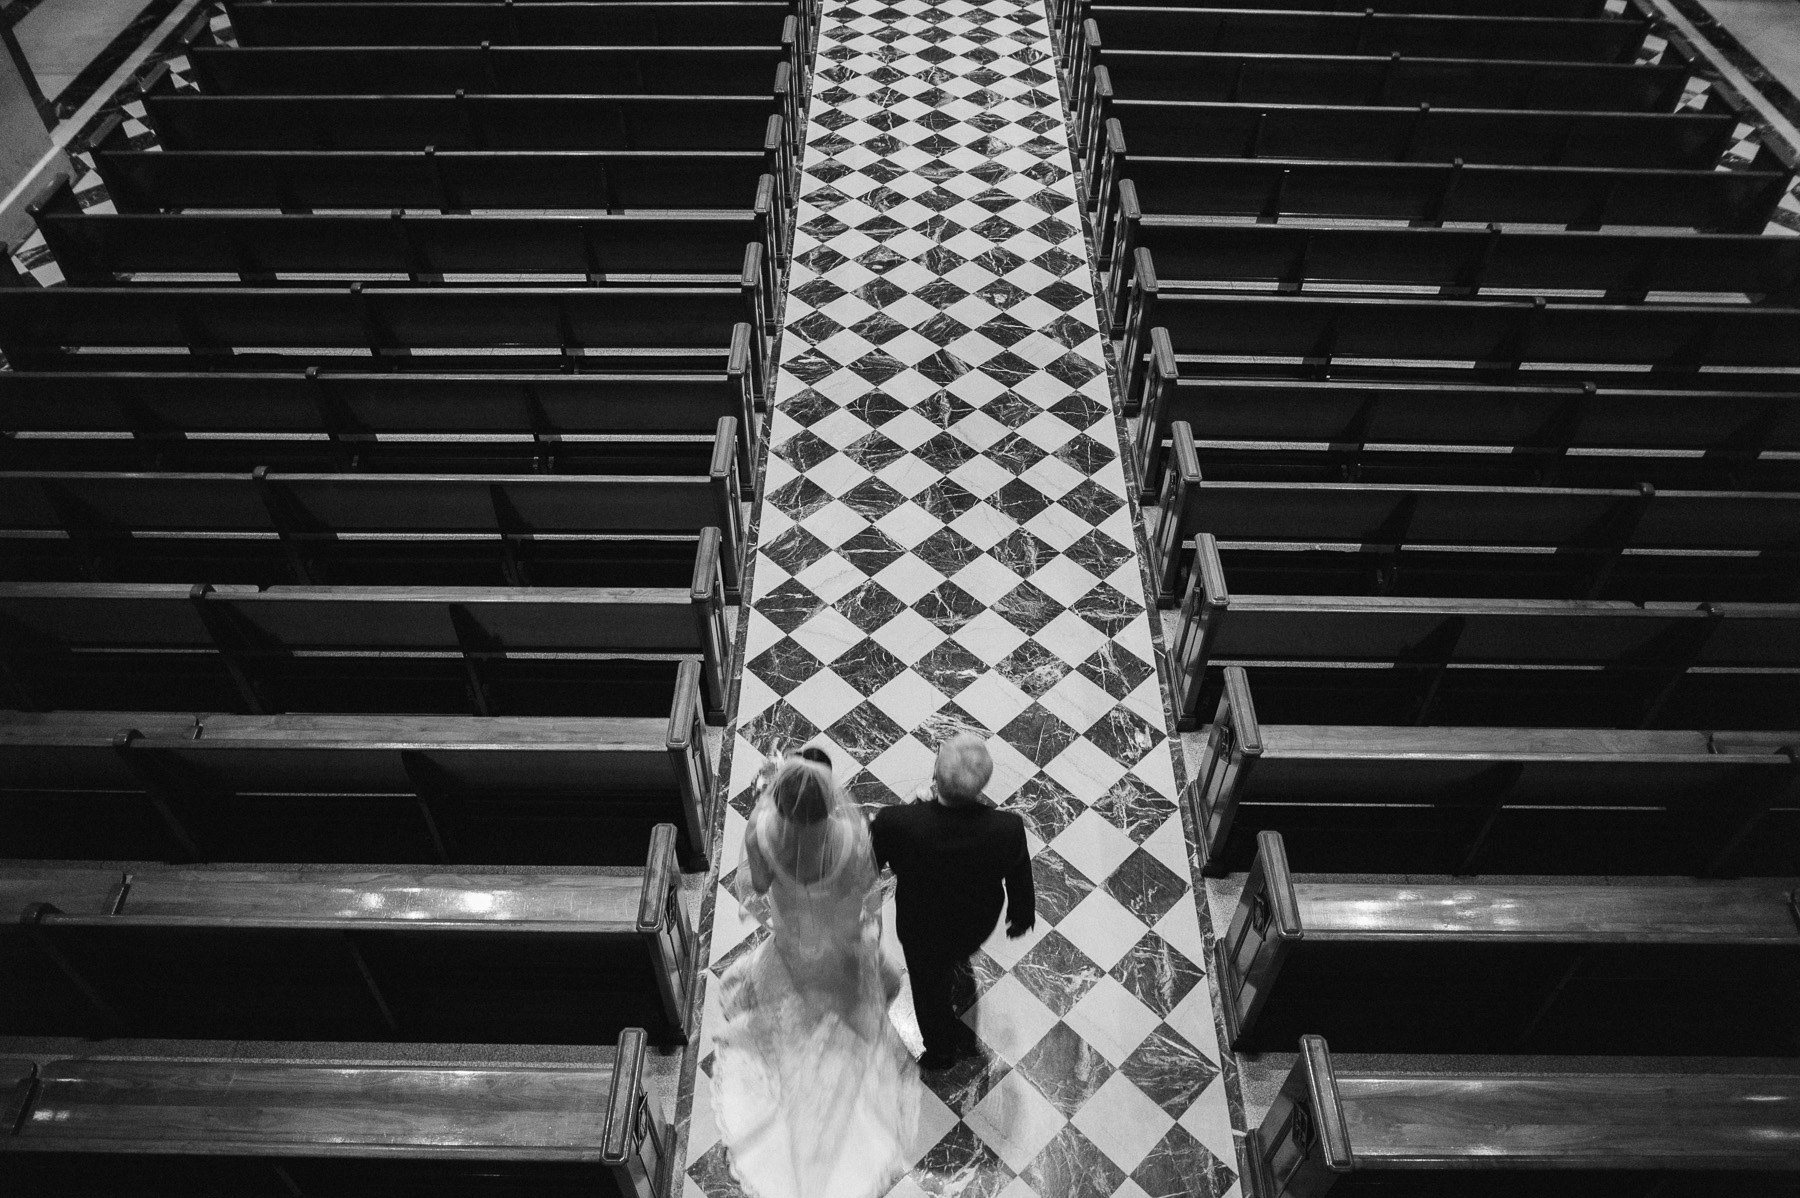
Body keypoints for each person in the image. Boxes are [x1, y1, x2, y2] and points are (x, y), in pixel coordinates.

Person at [712, 748, 919, 1198]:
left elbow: (759, 886)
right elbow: (865, 885)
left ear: (778, 799)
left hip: (791, 928)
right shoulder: (850, 834)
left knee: (792, 978)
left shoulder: (760, 831)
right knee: (851, 979)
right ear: (830, 799)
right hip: (840, 929)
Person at [871, 732, 1036, 1070]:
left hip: (921, 927)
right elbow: (1020, 876)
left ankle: (940, 1052)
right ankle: (956, 959)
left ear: (935, 775)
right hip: (974, 922)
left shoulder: (897, 822)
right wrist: (1020, 917)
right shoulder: (1007, 828)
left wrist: (912, 811)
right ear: (981, 784)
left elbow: (869, 865)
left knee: (928, 991)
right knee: (953, 955)